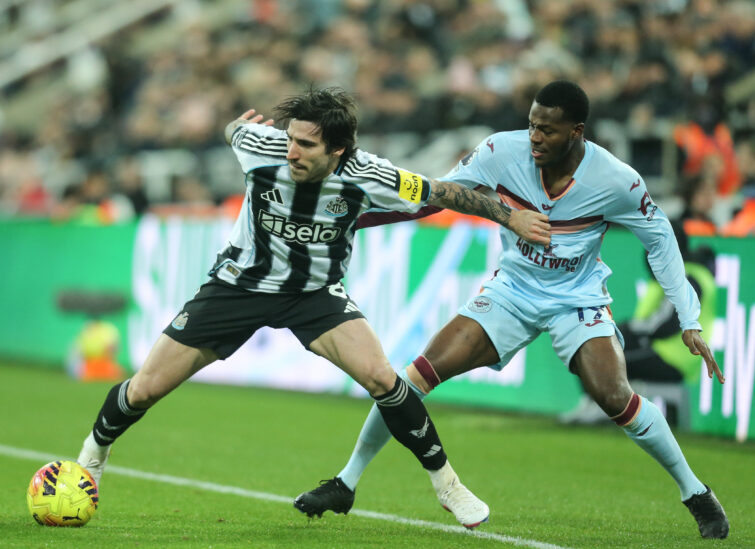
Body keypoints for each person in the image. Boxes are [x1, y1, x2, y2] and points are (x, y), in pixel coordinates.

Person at [75, 87, 550, 529]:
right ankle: (90, 462)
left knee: (384, 378)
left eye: (306, 144)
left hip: (315, 295)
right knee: (143, 390)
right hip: (237, 286)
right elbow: (233, 131)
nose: (292, 151)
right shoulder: (261, 147)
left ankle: (448, 485)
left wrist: (510, 216)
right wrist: (237, 127)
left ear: (339, 150)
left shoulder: (372, 175)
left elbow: (445, 193)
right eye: (291, 138)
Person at [293, 81, 730, 540]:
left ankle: (696, 493)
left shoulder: (617, 180)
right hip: (513, 291)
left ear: (577, 132)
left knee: (614, 395)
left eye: (548, 130)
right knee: (412, 377)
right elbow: (435, 195)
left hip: (576, 299)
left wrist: (689, 318)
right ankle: (346, 482)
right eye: (532, 125)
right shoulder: (501, 151)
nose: (535, 137)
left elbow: (660, 239)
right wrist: (354, 216)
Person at [560, 222, 717, 426]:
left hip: (671, 356)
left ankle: (598, 405)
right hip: (665, 352)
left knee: (594, 352)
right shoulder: (681, 273)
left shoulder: (686, 277)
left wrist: (629, 329)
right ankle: (597, 403)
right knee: (595, 344)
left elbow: (667, 323)